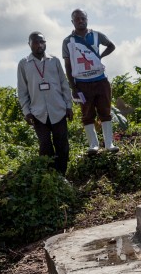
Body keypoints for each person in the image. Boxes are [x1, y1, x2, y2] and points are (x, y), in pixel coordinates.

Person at [17, 31, 74, 174]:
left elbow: (64, 84)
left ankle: (61, 174)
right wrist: (26, 111)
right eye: (35, 42)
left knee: (61, 144)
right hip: (38, 112)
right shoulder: (24, 64)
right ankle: (49, 174)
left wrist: (68, 105)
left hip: (58, 110)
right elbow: (22, 90)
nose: (39, 45)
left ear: (45, 43)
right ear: (29, 44)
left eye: (42, 42)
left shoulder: (54, 61)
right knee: (45, 144)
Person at [62, 9, 118, 153]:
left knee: (105, 111)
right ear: (72, 22)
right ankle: (93, 144)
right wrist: (73, 86)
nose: (80, 21)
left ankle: (109, 144)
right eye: (77, 19)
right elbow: (67, 65)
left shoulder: (96, 35)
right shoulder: (68, 41)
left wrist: (100, 57)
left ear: (87, 19)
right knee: (87, 114)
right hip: (82, 83)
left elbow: (111, 45)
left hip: (100, 80)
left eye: (82, 18)